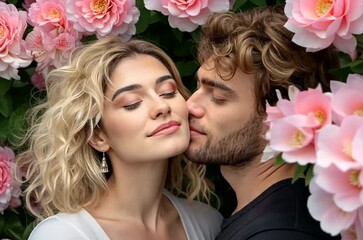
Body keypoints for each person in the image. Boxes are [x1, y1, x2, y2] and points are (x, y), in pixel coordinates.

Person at [16, 37, 222, 240]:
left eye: (168, 92)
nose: (162, 107)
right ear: (97, 136)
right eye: (132, 103)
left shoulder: (208, 223)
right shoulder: (62, 235)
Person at [185, 5, 340, 240]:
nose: (189, 106)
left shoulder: (280, 232)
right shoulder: (268, 216)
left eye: (217, 98)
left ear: (279, 119)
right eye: (198, 87)